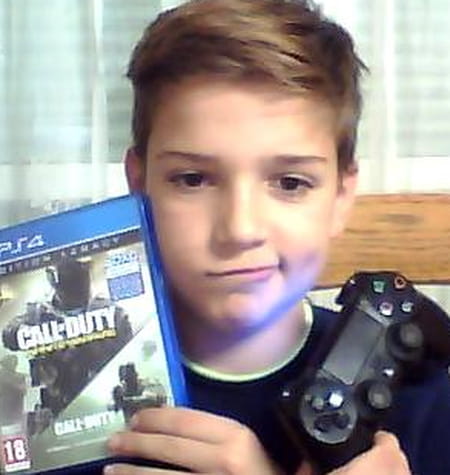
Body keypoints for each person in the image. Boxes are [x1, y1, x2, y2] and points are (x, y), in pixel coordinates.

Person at [100, 0, 450, 474]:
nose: (240, 229)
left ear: (341, 197)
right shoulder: (64, 407)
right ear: (138, 186)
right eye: (193, 179)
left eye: (290, 183)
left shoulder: (423, 403)